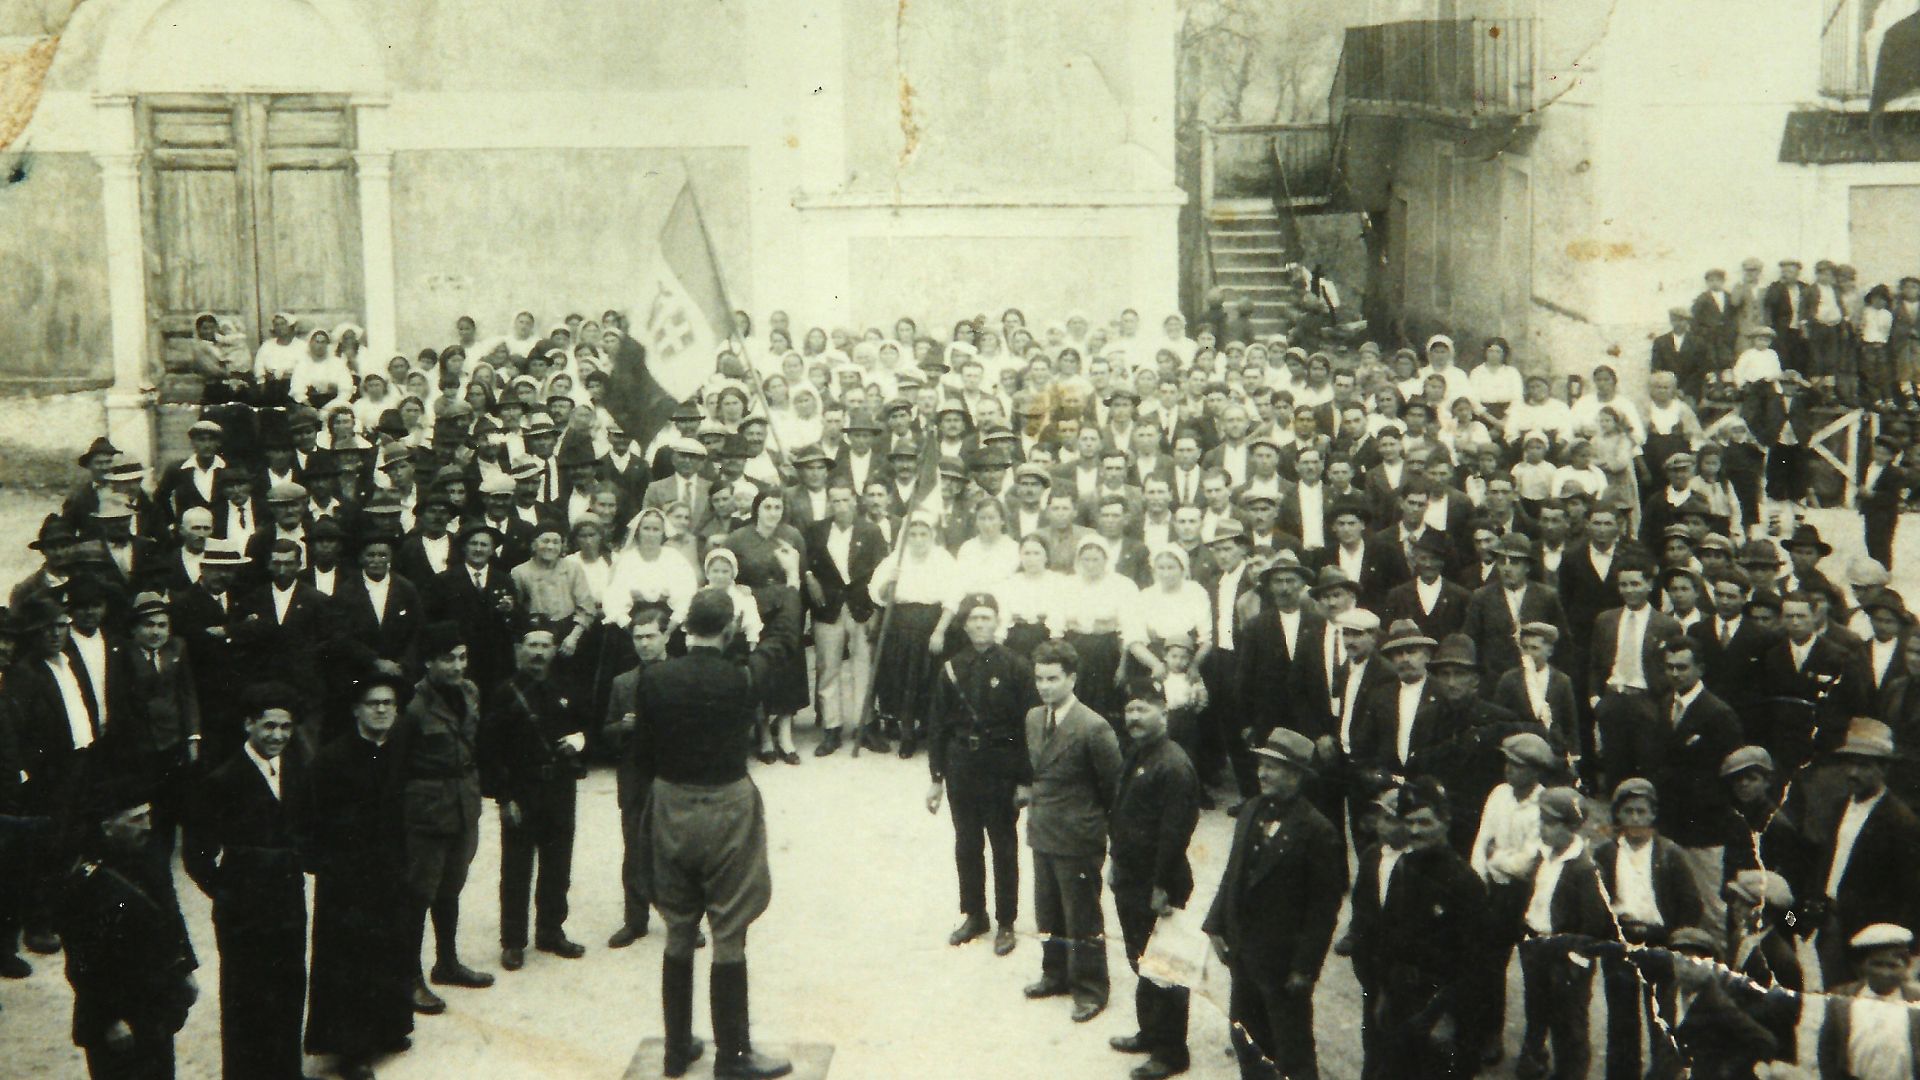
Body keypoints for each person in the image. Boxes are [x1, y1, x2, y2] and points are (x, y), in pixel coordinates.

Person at [633, 585, 800, 1079]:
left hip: (671, 805)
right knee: (729, 933)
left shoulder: (655, 679)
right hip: (727, 807)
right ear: (728, 631)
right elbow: (783, 638)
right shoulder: (743, 678)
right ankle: (732, 1057)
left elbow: (642, 755)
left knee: (678, 929)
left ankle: (675, 1050)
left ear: (683, 629)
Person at [182, 682, 312, 1080]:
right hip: (244, 911)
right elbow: (196, 855)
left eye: (285, 727)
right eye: (268, 726)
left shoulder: (296, 769)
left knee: (289, 992)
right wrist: (229, 892)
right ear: (248, 724)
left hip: (289, 903)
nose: (277, 736)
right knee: (246, 1001)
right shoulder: (223, 779)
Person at [1204, 728, 1346, 1080]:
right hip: (1243, 950)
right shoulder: (1252, 810)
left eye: (1274, 767)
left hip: (1283, 964)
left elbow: (1322, 911)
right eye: (1261, 765)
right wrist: (1215, 924)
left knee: (1291, 1046)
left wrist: (1305, 967)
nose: (1262, 773)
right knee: (1246, 1035)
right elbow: (1233, 872)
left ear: (1296, 776)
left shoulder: (1317, 831)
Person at [298, 671, 415, 1080]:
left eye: (388, 703)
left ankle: (389, 1028)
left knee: (390, 947)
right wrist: (329, 866)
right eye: (372, 703)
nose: (381, 709)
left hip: (390, 869)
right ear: (355, 710)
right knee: (350, 961)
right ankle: (353, 1049)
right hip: (347, 878)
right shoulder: (331, 758)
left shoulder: (400, 749)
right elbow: (310, 822)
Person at [54, 774, 200, 1080]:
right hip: (117, 1020)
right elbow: (83, 963)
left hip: (155, 1009)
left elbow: (171, 916)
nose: (147, 826)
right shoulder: (86, 883)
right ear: (107, 826)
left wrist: (186, 967)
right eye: (136, 819)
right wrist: (108, 1020)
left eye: (148, 815)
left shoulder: (148, 859)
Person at [925, 594, 1036, 957]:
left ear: (997, 621)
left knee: (1003, 844)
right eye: (973, 619)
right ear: (965, 624)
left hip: (1001, 764)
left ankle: (1006, 921)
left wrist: (1025, 780)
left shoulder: (1017, 667)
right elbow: (938, 724)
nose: (979, 625)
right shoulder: (953, 667)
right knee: (966, 843)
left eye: (986, 617)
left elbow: (1028, 728)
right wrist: (936, 778)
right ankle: (975, 914)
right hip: (962, 764)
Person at [391, 621, 493, 1014]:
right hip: (427, 811)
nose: (457, 666)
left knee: (451, 887)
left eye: (462, 658)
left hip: (464, 803)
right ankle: (410, 978)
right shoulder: (413, 707)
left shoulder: (469, 693)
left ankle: (447, 963)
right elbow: (397, 768)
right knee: (419, 893)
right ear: (429, 662)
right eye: (448, 659)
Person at [1021, 639, 1124, 1024]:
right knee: (1047, 910)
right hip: (1043, 830)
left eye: (1053, 678)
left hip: (1078, 837)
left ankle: (1091, 988)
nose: (1045, 686)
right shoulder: (1033, 717)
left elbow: (1112, 788)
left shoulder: (1093, 726)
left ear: (1072, 678)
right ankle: (1055, 974)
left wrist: (1106, 836)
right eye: (1039, 678)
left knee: (1082, 915)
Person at [1105, 683, 1201, 1080]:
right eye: (1129, 710)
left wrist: (1161, 885)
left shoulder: (1173, 763)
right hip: (1132, 877)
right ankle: (1150, 1033)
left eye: (1142, 709)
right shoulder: (1140, 753)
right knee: (1142, 960)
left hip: (1157, 884)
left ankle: (1171, 1052)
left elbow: (1175, 831)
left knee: (1166, 967)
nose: (1133, 718)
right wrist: (1115, 861)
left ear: (1164, 710)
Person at [481, 625, 587, 971]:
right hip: (522, 791)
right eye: (532, 645)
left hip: (559, 789)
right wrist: (503, 798)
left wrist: (579, 743)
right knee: (516, 868)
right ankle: (513, 941)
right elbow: (491, 751)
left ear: (555, 649)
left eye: (545, 645)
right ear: (519, 650)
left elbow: (587, 728)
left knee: (558, 864)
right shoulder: (504, 693)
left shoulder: (567, 687)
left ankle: (551, 930)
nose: (539, 652)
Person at [1593, 777, 1704, 1080]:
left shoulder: (1670, 855)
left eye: (1642, 812)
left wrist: (1676, 943)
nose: (1636, 819)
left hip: (1660, 943)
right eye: (1629, 812)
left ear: (1654, 815)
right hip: (1622, 943)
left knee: (1663, 1019)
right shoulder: (1605, 854)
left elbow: (1692, 906)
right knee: (1622, 1020)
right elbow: (1596, 900)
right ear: (1618, 816)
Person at [1811, 716, 1920, 987]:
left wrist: (1902, 948)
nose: (1853, 773)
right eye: (1849, 763)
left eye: (1864, 766)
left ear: (1883, 769)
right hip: (1827, 921)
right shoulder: (1840, 807)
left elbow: (1911, 891)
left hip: (1867, 934)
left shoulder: (1899, 821)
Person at [1514, 787, 1610, 1080]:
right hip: (1536, 946)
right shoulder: (1542, 858)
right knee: (1536, 1008)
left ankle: (1571, 1073)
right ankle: (1534, 1058)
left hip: (1565, 955)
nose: (1544, 829)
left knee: (1569, 1022)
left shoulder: (1584, 868)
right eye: (1541, 821)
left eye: (1552, 823)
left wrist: (1576, 958)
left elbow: (1595, 924)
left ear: (1572, 827)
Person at [802, 484, 886, 757]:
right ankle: (832, 729)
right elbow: (805, 562)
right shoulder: (816, 530)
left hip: (861, 607)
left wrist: (876, 609)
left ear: (855, 501)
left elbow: (881, 573)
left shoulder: (871, 531)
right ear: (829, 503)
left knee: (863, 667)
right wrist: (810, 578)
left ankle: (865, 727)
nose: (840, 505)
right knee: (828, 668)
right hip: (828, 608)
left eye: (845, 500)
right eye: (834, 500)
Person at [604, 608, 671, 948]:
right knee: (634, 848)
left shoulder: (680, 676)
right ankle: (635, 920)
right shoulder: (622, 682)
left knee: (675, 851)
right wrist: (622, 727)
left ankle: (681, 918)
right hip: (634, 778)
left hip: (672, 777)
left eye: (651, 636)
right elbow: (605, 731)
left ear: (666, 637)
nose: (644, 643)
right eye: (638, 637)